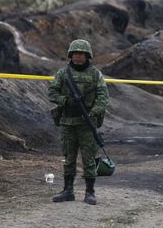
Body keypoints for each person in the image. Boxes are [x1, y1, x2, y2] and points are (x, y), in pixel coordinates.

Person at [48, 39, 110, 205]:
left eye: (81, 54)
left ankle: (90, 192)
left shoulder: (95, 74)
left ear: (87, 55)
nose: (78, 57)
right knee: (68, 158)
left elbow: (103, 97)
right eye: (75, 54)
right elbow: (52, 93)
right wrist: (65, 101)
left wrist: (93, 112)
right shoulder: (63, 74)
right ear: (70, 55)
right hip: (67, 122)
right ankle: (68, 191)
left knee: (89, 159)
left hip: (87, 123)